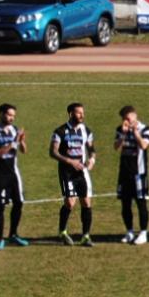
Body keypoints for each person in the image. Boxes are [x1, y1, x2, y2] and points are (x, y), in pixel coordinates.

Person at [50, 101, 97, 246]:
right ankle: (63, 231)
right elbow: (53, 152)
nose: (82, 115)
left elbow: (91, 149)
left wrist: (92, 160)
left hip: (81, 172)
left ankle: (86, 236)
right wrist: (70, 162)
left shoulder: (86, 131)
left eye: (82, 112)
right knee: (70, 202)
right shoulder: (60, 132)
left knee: (86, 202)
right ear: (71, 114)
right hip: (67, 172)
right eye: (78, 112)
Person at [0, 103, 29, 249]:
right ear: (1, 114)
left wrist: (22, 140)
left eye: (13, 116)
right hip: (0, 174)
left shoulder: (15, 130)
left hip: (13, 173)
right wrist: (13, 142)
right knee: (1, 205)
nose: (11, 118)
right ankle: (0, 238)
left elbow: (24, 151)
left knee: (19, 203)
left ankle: (13, 234)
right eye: (9, 115)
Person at [114, 105, 149, 245]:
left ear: (135, 116)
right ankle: (129, 231)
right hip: (124, 172)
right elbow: (116, 147)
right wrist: (123, 135)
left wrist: (136, 133)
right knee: (125, 204)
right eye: (124, 119)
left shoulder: (145, 129)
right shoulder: (120, 129)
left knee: (141, 203)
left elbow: (144, 145)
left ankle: (143, 233)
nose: (126, 121)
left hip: (139, 173)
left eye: (128, 118)